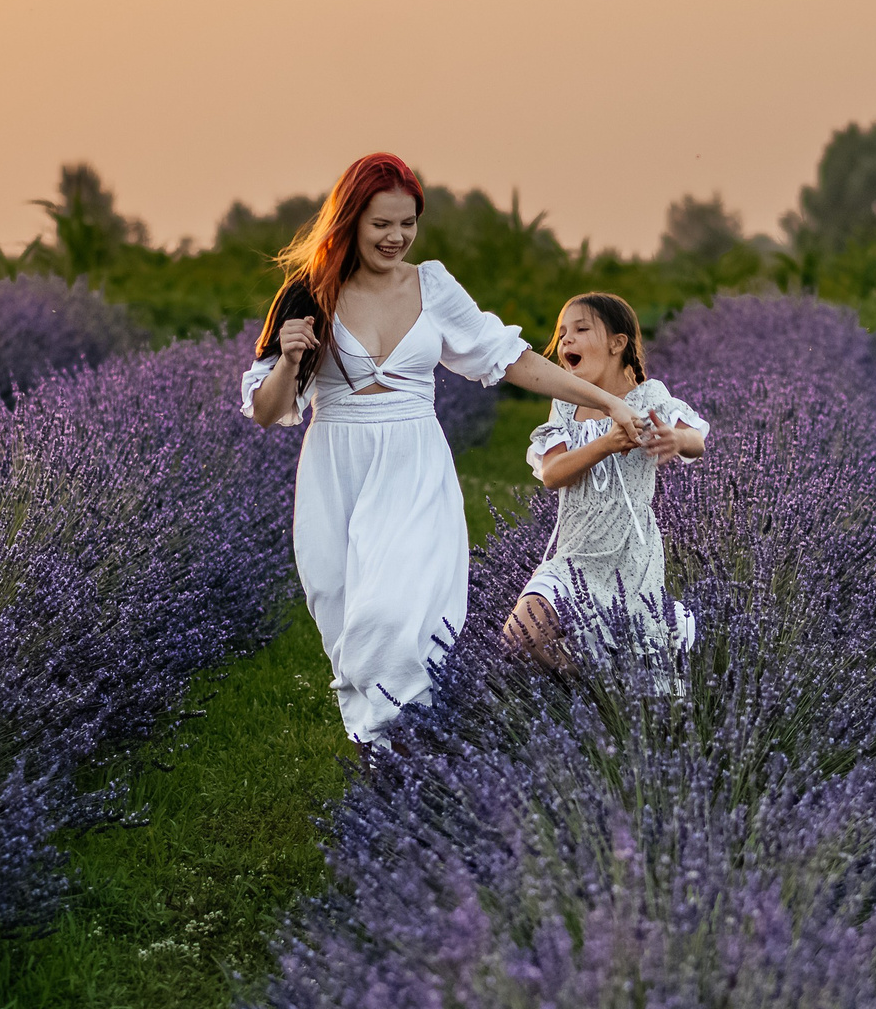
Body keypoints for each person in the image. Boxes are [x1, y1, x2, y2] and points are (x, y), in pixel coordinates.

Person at [241, 153, 643, 742]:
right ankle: (388, 753)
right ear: (349, 220)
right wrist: (291, 358)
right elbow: (266, 410)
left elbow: (513, 360)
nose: (396, 237)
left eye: (408, 223)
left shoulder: (430, 285)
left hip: (414, 465)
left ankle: (406, 751)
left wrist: (607, 401)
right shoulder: (310, 292)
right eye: (381, 224)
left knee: (393, 616)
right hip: (336, 468)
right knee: (345, 619)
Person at [504, 291, 708, 668]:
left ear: (617, 344)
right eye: (562, 333)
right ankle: (602, 686)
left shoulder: (648, 397)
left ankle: (617, 686)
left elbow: (696, 441)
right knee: (522, 636)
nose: (566, 340)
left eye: (581, 329)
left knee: (636, 656)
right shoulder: (565, 404)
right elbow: (552, 474)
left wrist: (677, 439)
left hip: (629, 555)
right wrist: (607, 444)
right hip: (573, 553)